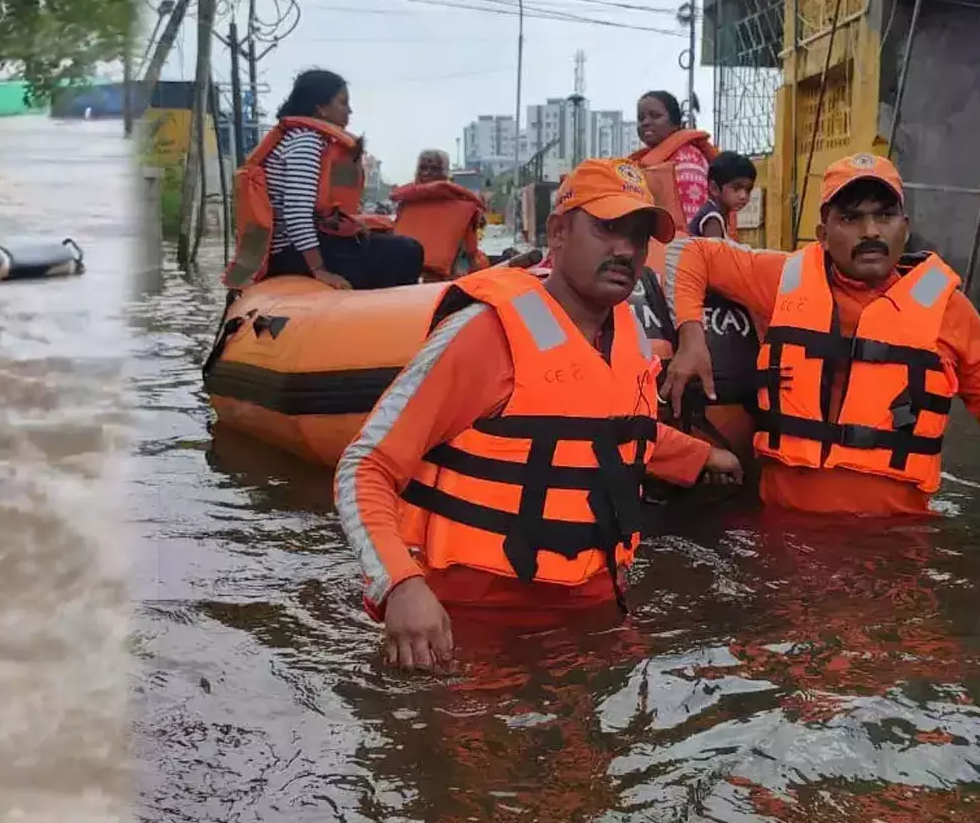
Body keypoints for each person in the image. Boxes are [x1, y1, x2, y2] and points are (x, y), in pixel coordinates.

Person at [334, 158, 745, 671]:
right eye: (607, 227)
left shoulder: (628, 338)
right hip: (472, 626)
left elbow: (616, 435)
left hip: (592, 613)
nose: (626, 250)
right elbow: (364, 467)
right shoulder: (484, 334)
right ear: (558, 232)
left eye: (639, 236)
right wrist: (399, 584)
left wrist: (703, 455)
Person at [660, 152, 980, 517]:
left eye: (884, 216)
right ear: (823, 234)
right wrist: (692, 337)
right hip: (786, 536)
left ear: (904, 227)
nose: (870, 231)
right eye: (850, 218)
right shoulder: (783, 278)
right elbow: (693, 253)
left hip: (893, 547)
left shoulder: (948, 309)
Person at [220, 68, 424, 291]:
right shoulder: (306, 143)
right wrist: (320, 270)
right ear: (321, 108)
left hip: (297, 248)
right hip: (290, 253)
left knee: (385, 242)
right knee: (406, 251)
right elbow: (297, 213)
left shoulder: (298, 139)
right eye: (343, 103)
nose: (350, 110)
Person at [630, 90, 719, 258]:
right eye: (641, 118)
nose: (646, 122)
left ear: (675, 123)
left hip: (681, 255)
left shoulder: (688, 157)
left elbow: (694, 220)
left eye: (655, 116)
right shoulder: (645, 161)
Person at [391, 148, 489, 280]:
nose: (427, 173)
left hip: (442, 276)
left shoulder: (463, 207)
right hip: (410, 275)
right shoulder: (405, 204)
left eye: (434, 169)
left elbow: (469, 249)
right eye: (423, 168)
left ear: (444, 173)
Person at [690, 151, 757, 240]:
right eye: (736, 188)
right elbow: (715, 253)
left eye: (748, 190)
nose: (743, 196)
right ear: (714, 188)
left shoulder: (720, 214)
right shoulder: (712, 219)